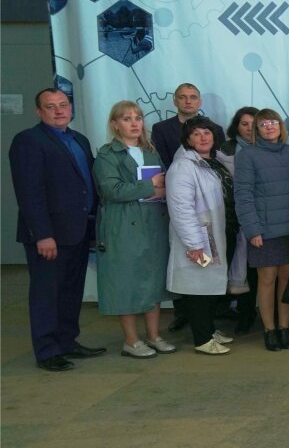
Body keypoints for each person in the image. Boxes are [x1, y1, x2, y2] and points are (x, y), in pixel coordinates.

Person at [9, 88, 105, 371]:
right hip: (49, 236)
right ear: (39, 111)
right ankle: (47, 351)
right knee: (47, 295)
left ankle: (67, 342)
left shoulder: (79, 140)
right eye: (50, 106)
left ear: (71, 108)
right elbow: (29, 193)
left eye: (63, 104)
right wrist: (42, 234)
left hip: (78, 230)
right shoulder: (28, 141)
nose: (59, 111)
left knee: (71, 292)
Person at [92, 101, 176, 358]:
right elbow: (112, 190)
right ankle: (131, 340)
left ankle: (154, 336)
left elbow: (165, 183)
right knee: (125, 280)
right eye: (127, 119)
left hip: (153, 221)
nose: (134, 123)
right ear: (115, 124)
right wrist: (150, 186)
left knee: (153, 278)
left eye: (138, 118)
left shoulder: (151, 151)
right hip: (123, 224)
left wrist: (160, 188)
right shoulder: (107, 154)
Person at [166, 116, 235, 355]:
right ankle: (202, 339)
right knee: (197, 289)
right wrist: (194, 243)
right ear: (187, 140)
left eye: (207, 132)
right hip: (199, 238)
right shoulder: (183, 167)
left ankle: (209, 330)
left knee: (209, 287)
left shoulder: (212, 162)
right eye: (196, 134)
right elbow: (181, 208)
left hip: (217, 232)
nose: (203, 137)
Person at [234, 109, 289, 351]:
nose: (269, 127)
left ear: (280, 126)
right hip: (263, 230)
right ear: (256, 130)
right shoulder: (247, 155)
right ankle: (269, 329)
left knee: (286, 279)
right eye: (263, 124)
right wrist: (252, 229)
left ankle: (284, 327)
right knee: (267, 279)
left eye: (273, 122)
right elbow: (243, 195)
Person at [151, 82, 206, 332]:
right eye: (182, 97)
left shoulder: (212, 127)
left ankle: (209, 314)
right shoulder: (161, 129)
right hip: (176, 196)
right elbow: (161, 161)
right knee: (184, 256)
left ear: (199, 102)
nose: (188, 101)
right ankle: (183, 311)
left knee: (206, 263)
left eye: (193, 97)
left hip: (206, 201)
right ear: (175, 101)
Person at [218, 107, 260, 334]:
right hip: (231, 220)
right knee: (235, 265)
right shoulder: (224, 151)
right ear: (236, 126)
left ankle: (249, 312)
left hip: (260, 218)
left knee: (254, 270)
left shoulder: (267, 147)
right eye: (244, 124)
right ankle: (232, 311)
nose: (249, 129)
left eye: (254, 124)